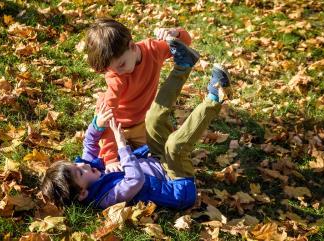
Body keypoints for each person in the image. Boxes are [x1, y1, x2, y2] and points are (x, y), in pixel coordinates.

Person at [41, 40, 231, 209]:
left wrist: (97, 124)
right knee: (175, 146)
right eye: (80, 173)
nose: (83, 166)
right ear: (83, 193)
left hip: (156, 158)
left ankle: (183, 64)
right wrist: (122, 147)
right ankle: (215, 97)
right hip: (177, 183)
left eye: (77, 165)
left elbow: (89, 143)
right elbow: (135, 180)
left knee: (152, 118)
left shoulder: (89, 169)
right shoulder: (107, 196)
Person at [85, 18, 197, 172]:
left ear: (132, 46)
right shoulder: (116, 78)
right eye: (112, 69)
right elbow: (108, 118)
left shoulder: (153, 50)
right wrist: (110, 159)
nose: (119, 72)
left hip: (142, 123)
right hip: (116, 127)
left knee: (163, 156)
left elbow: (185, 42)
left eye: (122, 65)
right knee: (108, 166)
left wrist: (175, 33)